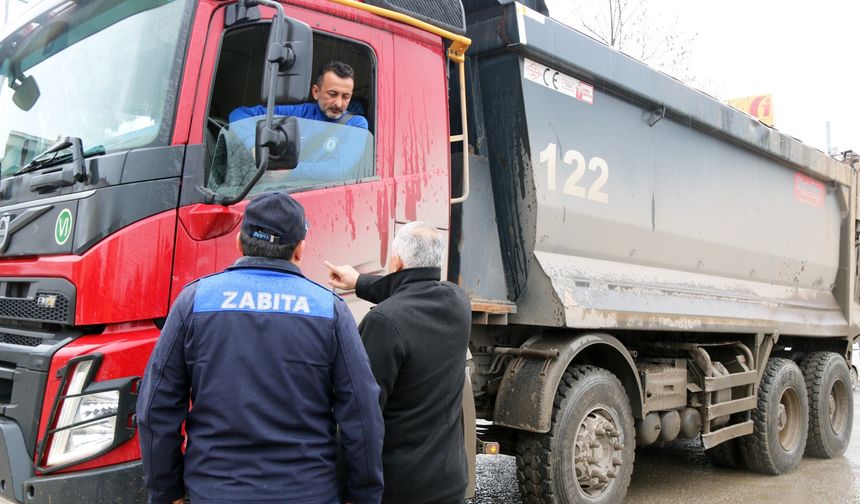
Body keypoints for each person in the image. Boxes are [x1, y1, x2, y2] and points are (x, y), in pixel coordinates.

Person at [137, 191, 384, 504]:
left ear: (239, 243)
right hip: (307, 494)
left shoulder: (194, 302)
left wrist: (166, 492)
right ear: (299, 250)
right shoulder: (329, 309)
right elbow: (362, 413)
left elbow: (155, 408)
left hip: (214, 492)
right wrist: (363, 495)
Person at [325, 221, 471, 504]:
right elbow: (413, 289)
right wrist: (359, 282)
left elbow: (362, 416)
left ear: (396, 261)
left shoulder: (384, 322)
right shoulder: (458, 304)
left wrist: (348, 487)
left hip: (400, 490)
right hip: (449, 485)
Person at [229, 60, 368, 129]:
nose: (338, 103)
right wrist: (252, 144)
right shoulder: (299, 112)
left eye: (346, 97)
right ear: (315, 92)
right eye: (332, 94)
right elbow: (239, 114)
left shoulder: (355, 124)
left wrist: (283, 170)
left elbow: (338, 169)